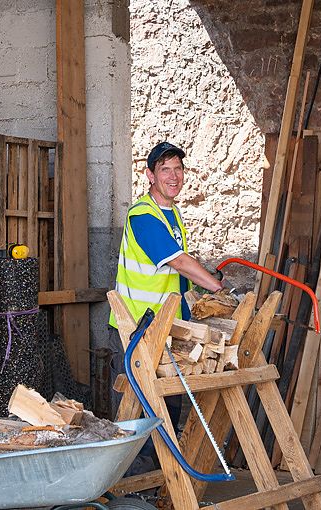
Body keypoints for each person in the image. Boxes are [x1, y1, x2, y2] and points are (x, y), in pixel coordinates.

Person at [108, 142, 225, 442]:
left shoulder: (172, 214)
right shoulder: (143, 216)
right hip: (137, 327)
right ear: (150, 175)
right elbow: (177, 260)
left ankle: (162, 478)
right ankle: (135, 480)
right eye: (165, 170)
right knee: (143, 409)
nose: (173, 176)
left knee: (169, 405)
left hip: (167, 326)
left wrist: (202, 286)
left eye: (178, 169)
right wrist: (216, 287)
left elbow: (177, 272)